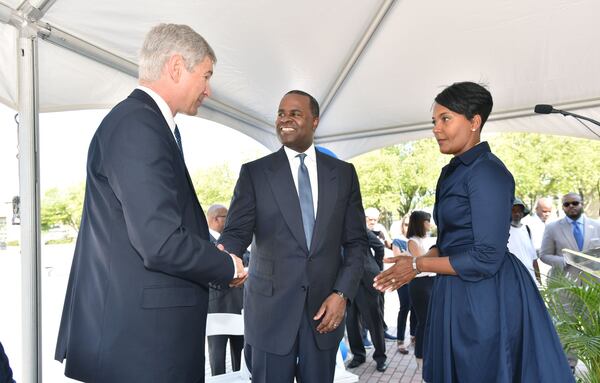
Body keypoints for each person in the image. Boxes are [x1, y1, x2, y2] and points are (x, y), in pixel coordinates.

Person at [54, 24, 246, 383]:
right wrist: (226, 265)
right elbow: (160, 241)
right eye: (205, 76)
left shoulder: (143, 124)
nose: (208, 89)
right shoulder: (138, 125)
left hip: (142, 342)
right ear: (176, 67)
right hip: (140, 348)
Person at [374, 81, 574, 382]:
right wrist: (417, 263)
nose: (436, 129)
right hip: (454, 290)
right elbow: (451, 241)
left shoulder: (488, 172)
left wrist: (418, 264)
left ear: (474, 122)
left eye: (445, 119)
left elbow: (485, 257)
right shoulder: (454, 171)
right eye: (434, 121)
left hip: (485, 295)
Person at [218, 90, 367, 382]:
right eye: (281, 113)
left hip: (325, 312)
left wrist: (342, 294)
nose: (285, 119)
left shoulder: (344, 174)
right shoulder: (255, 173)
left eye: (295, 113)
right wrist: (224, 259)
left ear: (314, 121)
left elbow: (357, 243)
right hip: (270, 314)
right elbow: (235, 234)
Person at [206, 204, 247, 376]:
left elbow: (246, 258)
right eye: (226, 217)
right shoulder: (202, 240)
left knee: (240, 356)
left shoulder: (233, 240)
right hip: (217, 311)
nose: (230, 220)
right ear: (216, 218)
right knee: (217, 359)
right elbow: (203, 272)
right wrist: (227, 277)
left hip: (237, 307)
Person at [345, 230, 388, 372]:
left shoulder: (361, 228)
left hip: (366, 281)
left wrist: (376, 267)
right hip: (346, 283)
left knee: (374, 321)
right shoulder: (333, 229)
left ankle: (381, 358)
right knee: (351, 322)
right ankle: (358, 355)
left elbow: (379, 247)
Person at [540, 192, 600, 279]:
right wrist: (566, 261)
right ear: (563, 207)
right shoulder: (552, 228)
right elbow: (544, 255)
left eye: (575, 203)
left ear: (582, 204)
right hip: (566, 283)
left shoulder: (597, 226)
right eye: (567, 204)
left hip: (593, 283)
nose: (571, 206)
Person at [405, 210, 435, 374]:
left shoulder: (426, 239)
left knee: (430, 321)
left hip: (431, 281)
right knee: (424, 321)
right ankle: (420, 357)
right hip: (420, 283)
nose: (429, 224)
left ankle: (427, 355)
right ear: (419, 222)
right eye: (427, 221)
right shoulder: (413, 241)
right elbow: (423, 263)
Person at [391, 213, 416, 354]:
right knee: (405, 307)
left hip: (416, 279)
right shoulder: (398, 240)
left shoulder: (417, 239)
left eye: (410, 224)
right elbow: (398, 258)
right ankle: (400, 340)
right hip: (402, 279)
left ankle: (414, 337)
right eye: (406, 224)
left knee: (415, 309)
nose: (408, 227)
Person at [507, 198, 542, 285]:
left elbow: (534, 259)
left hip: (531, 279)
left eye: (519, 211)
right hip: (513, 279)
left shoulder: (527, 229)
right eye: (513, 210)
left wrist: (539, 281)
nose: (517, 213)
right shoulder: (504, 231)